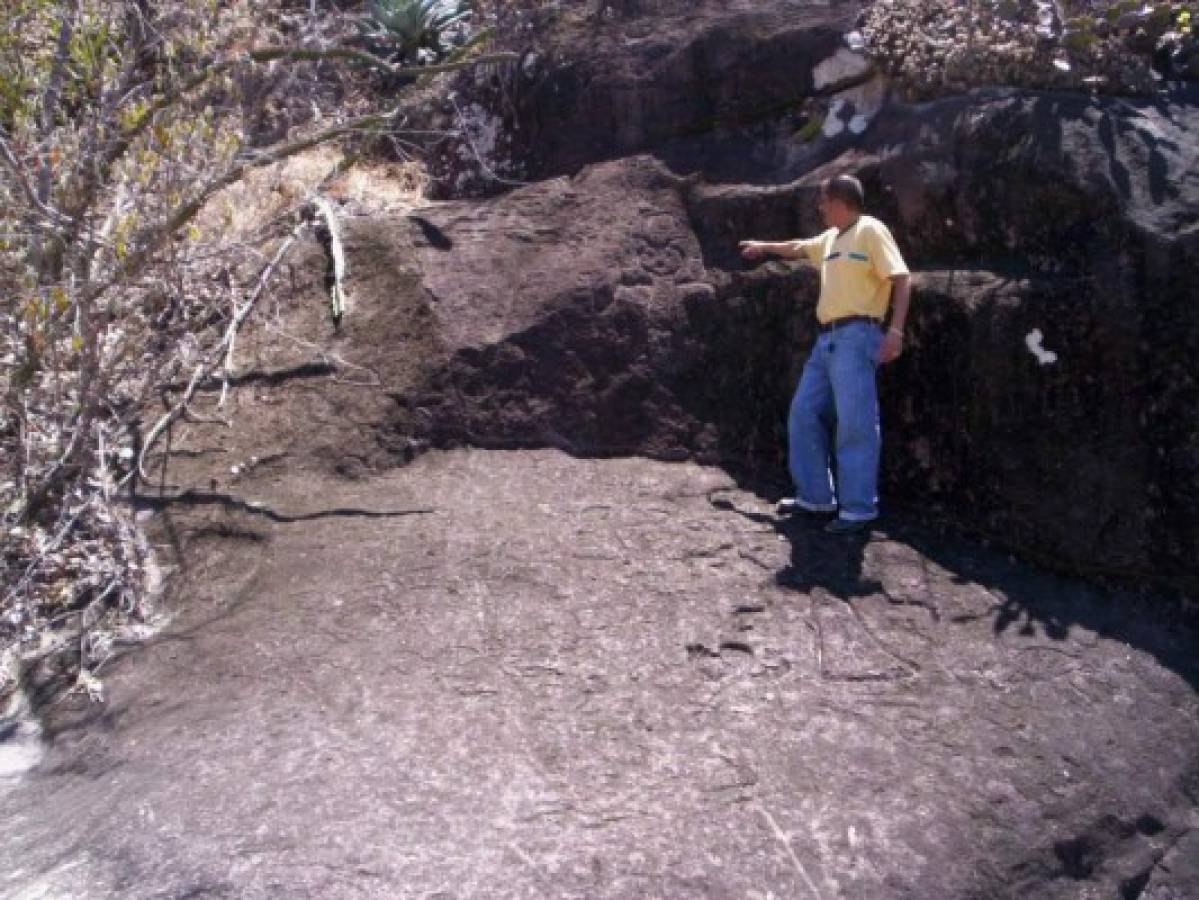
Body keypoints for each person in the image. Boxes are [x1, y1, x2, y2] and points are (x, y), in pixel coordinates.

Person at [739, 174, 911, 534]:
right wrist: (764, 246)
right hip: (827, 339)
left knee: (856, 421)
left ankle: (858, 509)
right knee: (803, 411)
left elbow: (901, 277)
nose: (819, 207)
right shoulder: (832, 238)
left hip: (858, 334)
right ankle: (815, 497)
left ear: (840, 201)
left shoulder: (870, 230)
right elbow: (799, 246)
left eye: (823, 200)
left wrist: (895, 331)